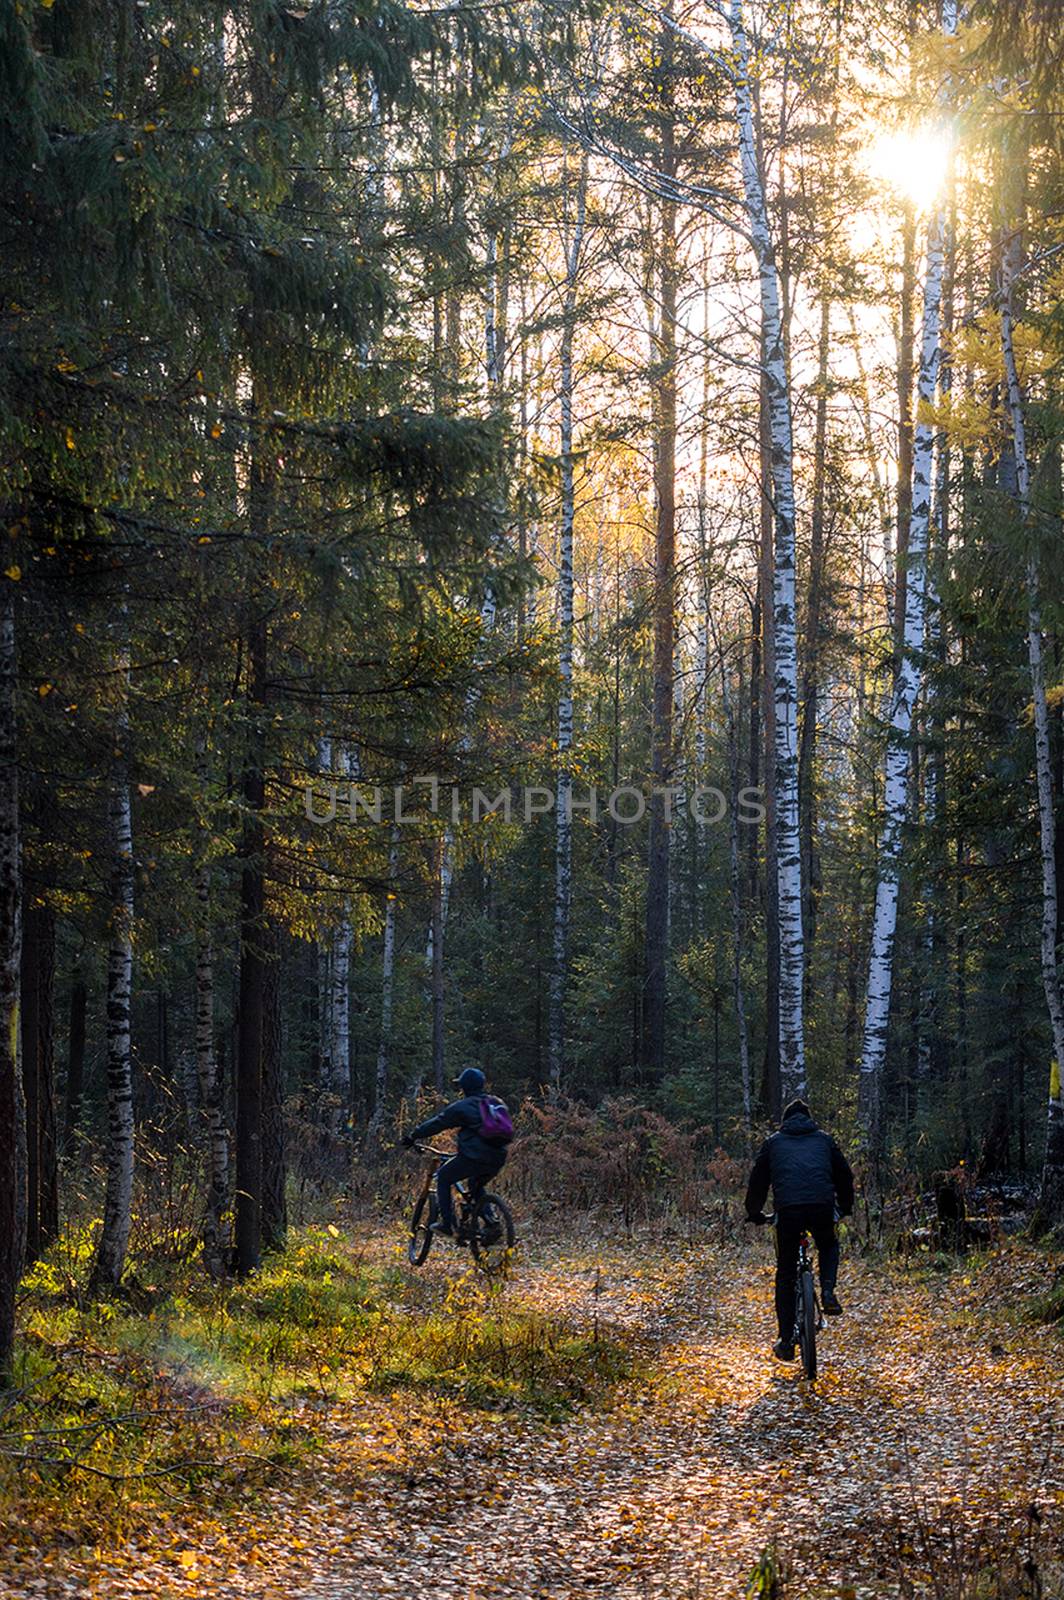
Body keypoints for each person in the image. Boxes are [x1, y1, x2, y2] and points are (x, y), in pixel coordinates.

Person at [744, 1098, 855, 1362]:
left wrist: (754, 1213)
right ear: (809, 1118)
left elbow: (758, 1182)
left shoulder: (773, 1143)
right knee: (828, 1243)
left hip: (789, 1211)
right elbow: (844, 1175)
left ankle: (786, 1341)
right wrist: (845, 1207)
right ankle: (828, 1290)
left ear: (785, 1121)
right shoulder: (825, 1140)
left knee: (785, 1274)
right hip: (821, 1207)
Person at [402, 1066, 511, 1238]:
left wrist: (413, 1136)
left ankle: (447, 1225)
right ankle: (492, 1222)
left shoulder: (463, 1107)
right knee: (476, 1186)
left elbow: (437, 1123)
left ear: (465, 1087)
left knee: (444, 1177)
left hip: (474, 1156)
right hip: (498, 1157)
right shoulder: (496, 1103)